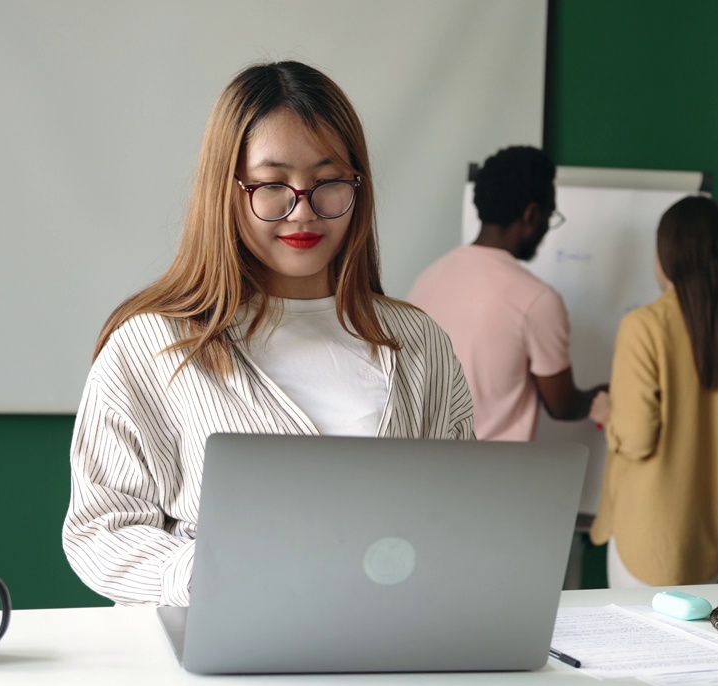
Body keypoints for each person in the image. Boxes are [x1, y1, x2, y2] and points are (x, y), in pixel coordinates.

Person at [62, 61, 474, 606]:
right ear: (227, 191)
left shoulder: (419, 342)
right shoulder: (150, 345)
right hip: (222, 664)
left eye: (327, 182)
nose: (303, 211)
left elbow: (459, 515)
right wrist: (211, 574)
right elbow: (99, 531)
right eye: (273, 184)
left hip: (388, 653)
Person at [588, 195, 718, 588]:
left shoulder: (644, 327)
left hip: (644, 538)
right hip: (706, 540)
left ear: (665, 254)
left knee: (636, 649)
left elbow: (636, 438)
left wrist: (607, 414)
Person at [407, 146, 605, 441]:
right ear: (531, 215)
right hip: (495, 479)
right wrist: (605, 395)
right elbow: (562, 405)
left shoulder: (427, 279)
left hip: (424, 469)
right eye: (550, 216)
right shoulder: (536, 300)